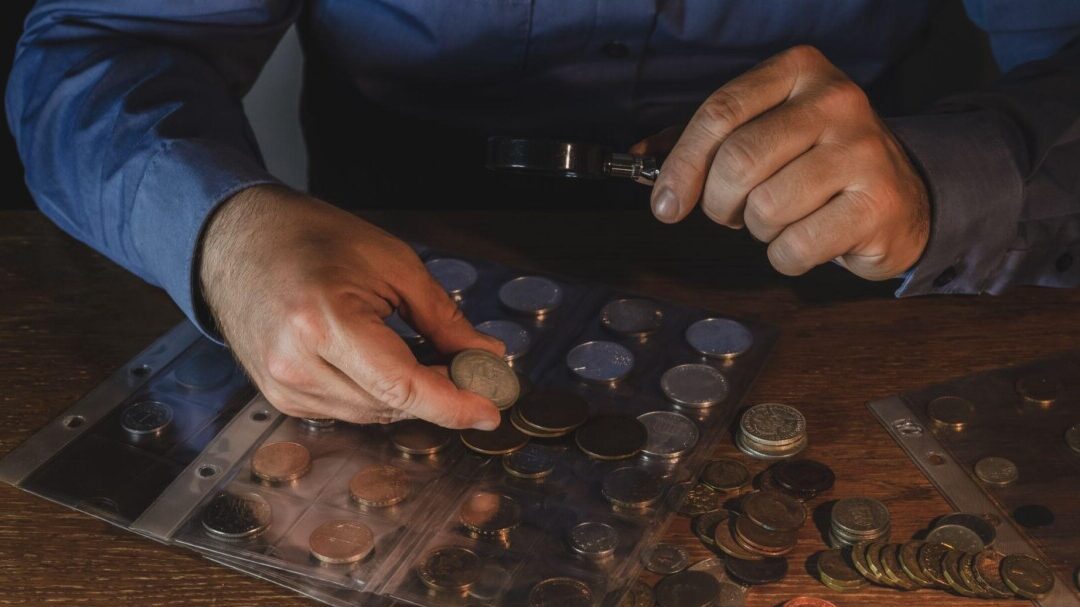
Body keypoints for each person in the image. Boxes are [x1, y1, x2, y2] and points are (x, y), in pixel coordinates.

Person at [7, 2, 1080, 429]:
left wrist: (948, 181)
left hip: (845, 274)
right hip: (385, 265)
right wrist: (225, 233)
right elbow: (96, 42)